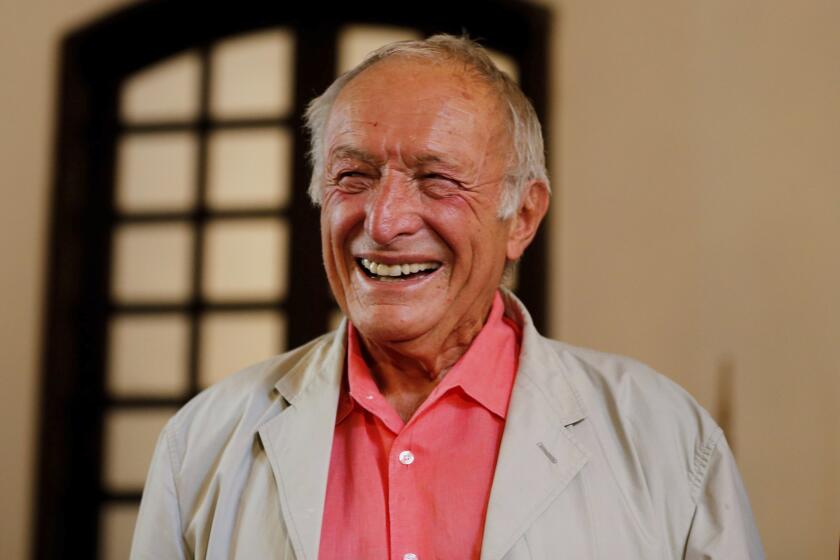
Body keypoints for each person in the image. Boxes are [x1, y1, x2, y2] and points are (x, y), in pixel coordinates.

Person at [131, 35, 764, 559]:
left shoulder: (666, 440)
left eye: (436, 180)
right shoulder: (203, 442)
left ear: (522, 217)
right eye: (354, 177)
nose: (384, 221)